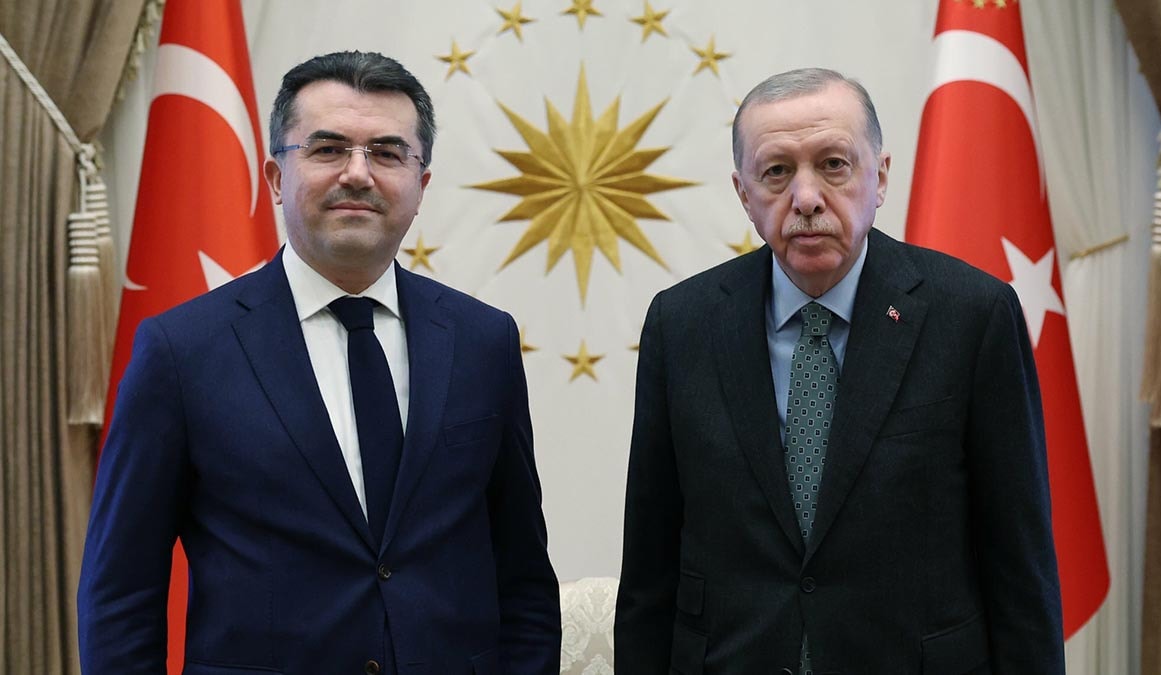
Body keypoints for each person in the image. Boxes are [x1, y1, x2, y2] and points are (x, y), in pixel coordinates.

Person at [78, 51, 561, 674]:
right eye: (328, 149)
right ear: (277, 177)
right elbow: (120, 595)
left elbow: (523, 574)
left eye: (387, 153)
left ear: (421, 186)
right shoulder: (180, 351)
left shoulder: (482, 340)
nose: (358, 173)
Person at [614, 68, 1063, 674]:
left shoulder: (972, 316)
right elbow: (650, 566)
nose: (806, 198)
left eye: (833, 165)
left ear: (880, 177)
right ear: (743, 194)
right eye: (776, 172)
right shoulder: (682, 324)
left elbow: (1020, 566)